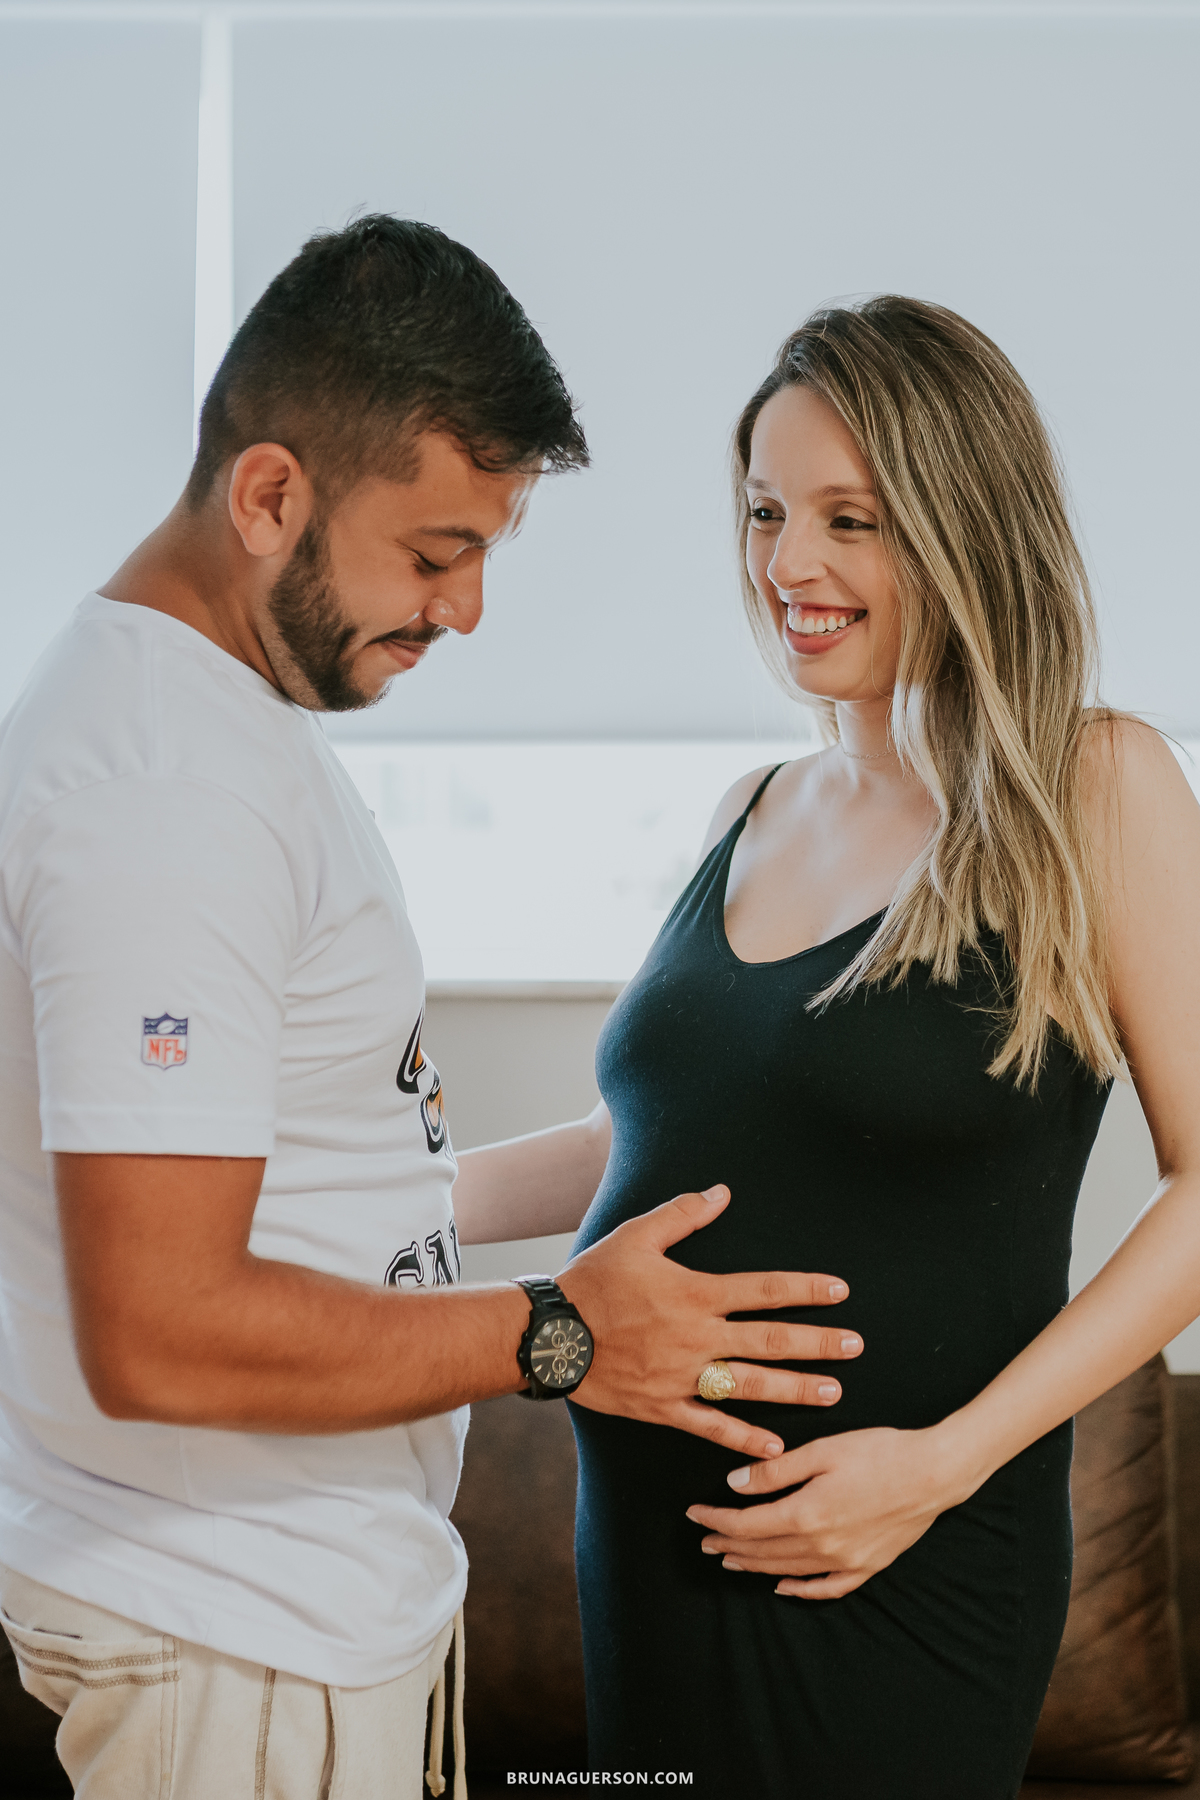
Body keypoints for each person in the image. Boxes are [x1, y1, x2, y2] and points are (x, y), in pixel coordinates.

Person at [0, 218, 863, 1800]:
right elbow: (159, 1328)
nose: (466, 612)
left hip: (292, 1616)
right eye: (434, 552)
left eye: (486, 554)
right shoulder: (162, 793)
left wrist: (682, 1127)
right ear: (270, 495)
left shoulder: (208, 733)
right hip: (235, 1638)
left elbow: (326, 1188)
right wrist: (560, 1336)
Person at [454, 295, 1200, 1797]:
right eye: (766, 510)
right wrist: (373, 1192)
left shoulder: (1091, 788)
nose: (788, 565)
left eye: (849, 520)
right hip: (647, 1565)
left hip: (893, 1553)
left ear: (961, 524)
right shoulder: (751, 806)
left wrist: (941, 1463)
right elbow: (697, 1135)